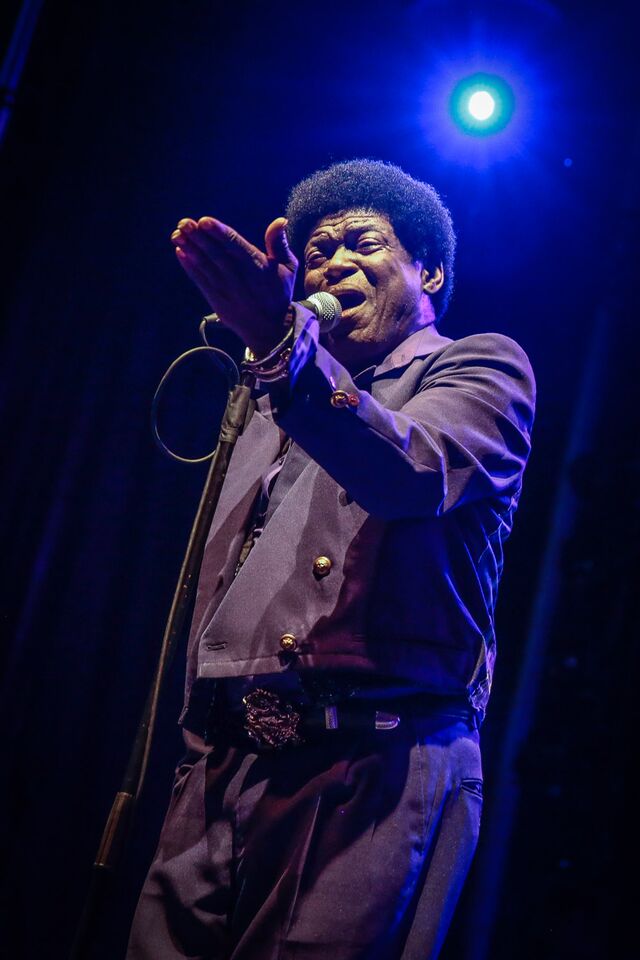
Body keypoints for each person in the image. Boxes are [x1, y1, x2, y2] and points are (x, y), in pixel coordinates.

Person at [127, 159, 535, 960]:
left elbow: (411, 473)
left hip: (370, 762)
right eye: (316, 253)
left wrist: (285, 351)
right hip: (217, 769)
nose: (334, 263)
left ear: (429, 272)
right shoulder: (268, 396)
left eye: (363, 244)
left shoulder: (478, 365)